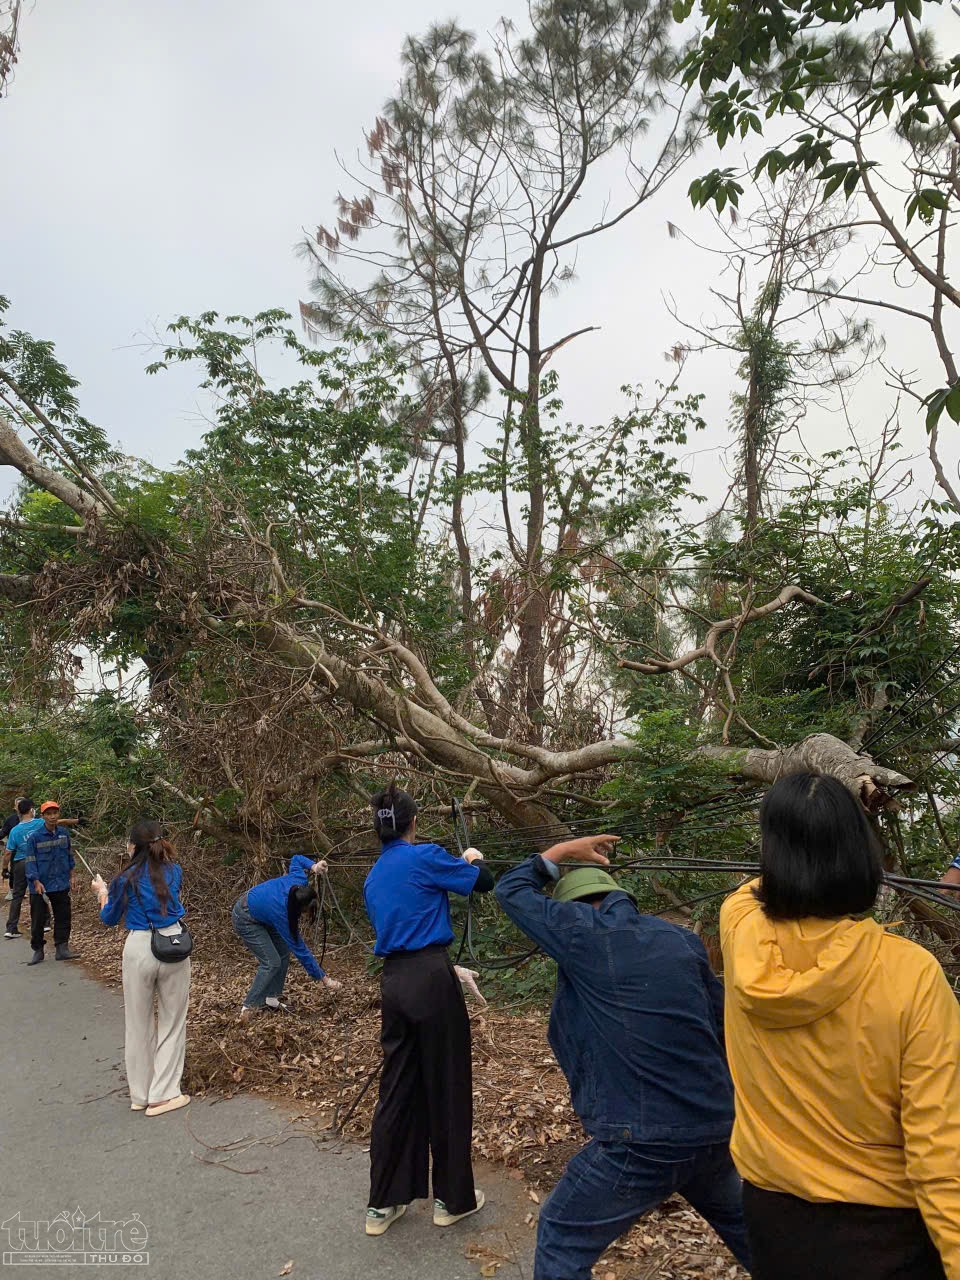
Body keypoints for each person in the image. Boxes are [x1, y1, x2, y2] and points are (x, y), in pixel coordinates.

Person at [721, 771, 960, 1280]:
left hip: (773, 1221)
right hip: (889, 1237)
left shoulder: (739, 929)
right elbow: (940, 1147)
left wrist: (798, 835)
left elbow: (755, 888)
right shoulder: (911, 973)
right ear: (860, 852)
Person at [494, 833, 751, 1280]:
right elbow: (723, 1028)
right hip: (712, 1127)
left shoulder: (582, 934)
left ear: (575, 906)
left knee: (561, 1234)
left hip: (642, 1139)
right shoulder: (681, 941)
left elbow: (510, 889)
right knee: (753, 1233)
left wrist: (559, 852)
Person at [362, 783, 494, 1238]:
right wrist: (472, 859)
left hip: (395, 982)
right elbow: (484, 882)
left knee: (397, 1087)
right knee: (448, 1084)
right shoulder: (425, 856)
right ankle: (452, 1200)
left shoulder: (374, 875)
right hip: (432, 980)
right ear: (412, 823)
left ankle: (383, 1202)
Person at [92, 819, 192, 1116]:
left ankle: (141, 1095)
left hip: (138, 950)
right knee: (173, 1023)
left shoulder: (125, 878)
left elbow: (109, 919)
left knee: (138, 1025)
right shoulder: (175, 871)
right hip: (173, 945)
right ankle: (164, 1093)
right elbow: (163, 897)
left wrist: (102, 892)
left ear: (133, 846)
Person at [231, 853, 341, 1021]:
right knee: (271, 962)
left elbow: (296, 859)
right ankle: (248, 1006)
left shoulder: (299, 882)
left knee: (283, 952)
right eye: (305, 912)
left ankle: (271, 999)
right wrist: (325, 979)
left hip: (263, 913)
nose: (306, 915)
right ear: (297, 908)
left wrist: (314, 866)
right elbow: (301, 951)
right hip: (245, 917)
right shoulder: (281, 913)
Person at [23, 800, 79, 965]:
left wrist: (72, 875)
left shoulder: (63, 834)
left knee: (63, 916)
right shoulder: (34, 838)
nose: (52, 816)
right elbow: (30, 861)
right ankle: (38, 950)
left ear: (58, 814)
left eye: (55, 813)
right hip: (41, 886)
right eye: (49, 814)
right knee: (38, 919)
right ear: (43, 816)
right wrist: (35, 881)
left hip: (60, 883)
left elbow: (69, 856)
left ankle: (62, 948)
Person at [4, 798, 44, 938]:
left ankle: (11, 928)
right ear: (31, 809)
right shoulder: (41, 823)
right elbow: (57, 823)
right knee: (39, 891)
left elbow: (8, 852)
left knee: (17, 895)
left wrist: (4, 869)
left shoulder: (15, 830)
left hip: (20, 862)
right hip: (38, 861)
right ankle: (44, 923)